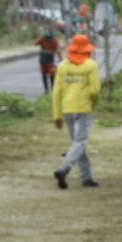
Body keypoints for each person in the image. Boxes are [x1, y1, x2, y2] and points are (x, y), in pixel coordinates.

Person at [52, 33, 101, 189]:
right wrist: (91, 102)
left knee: (77, 144)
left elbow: (56, 92)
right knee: (80, 142)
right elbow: (95, 90)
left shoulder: (62, 66)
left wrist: (57, 116)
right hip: (82, 107)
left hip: (67, 109)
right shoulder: (90, 65)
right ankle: (64, 169)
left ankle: (86, 177)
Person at [36, 29, 60, 93]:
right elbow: (35, 43)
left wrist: (60, 59)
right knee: (44, 74)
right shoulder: (43, 39)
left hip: (50, 59)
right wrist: (42, 38)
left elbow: (58, 50)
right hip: (43, 58)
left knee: (52, 73)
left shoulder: (55, 40)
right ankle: (46, 89)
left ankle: (53, 89)